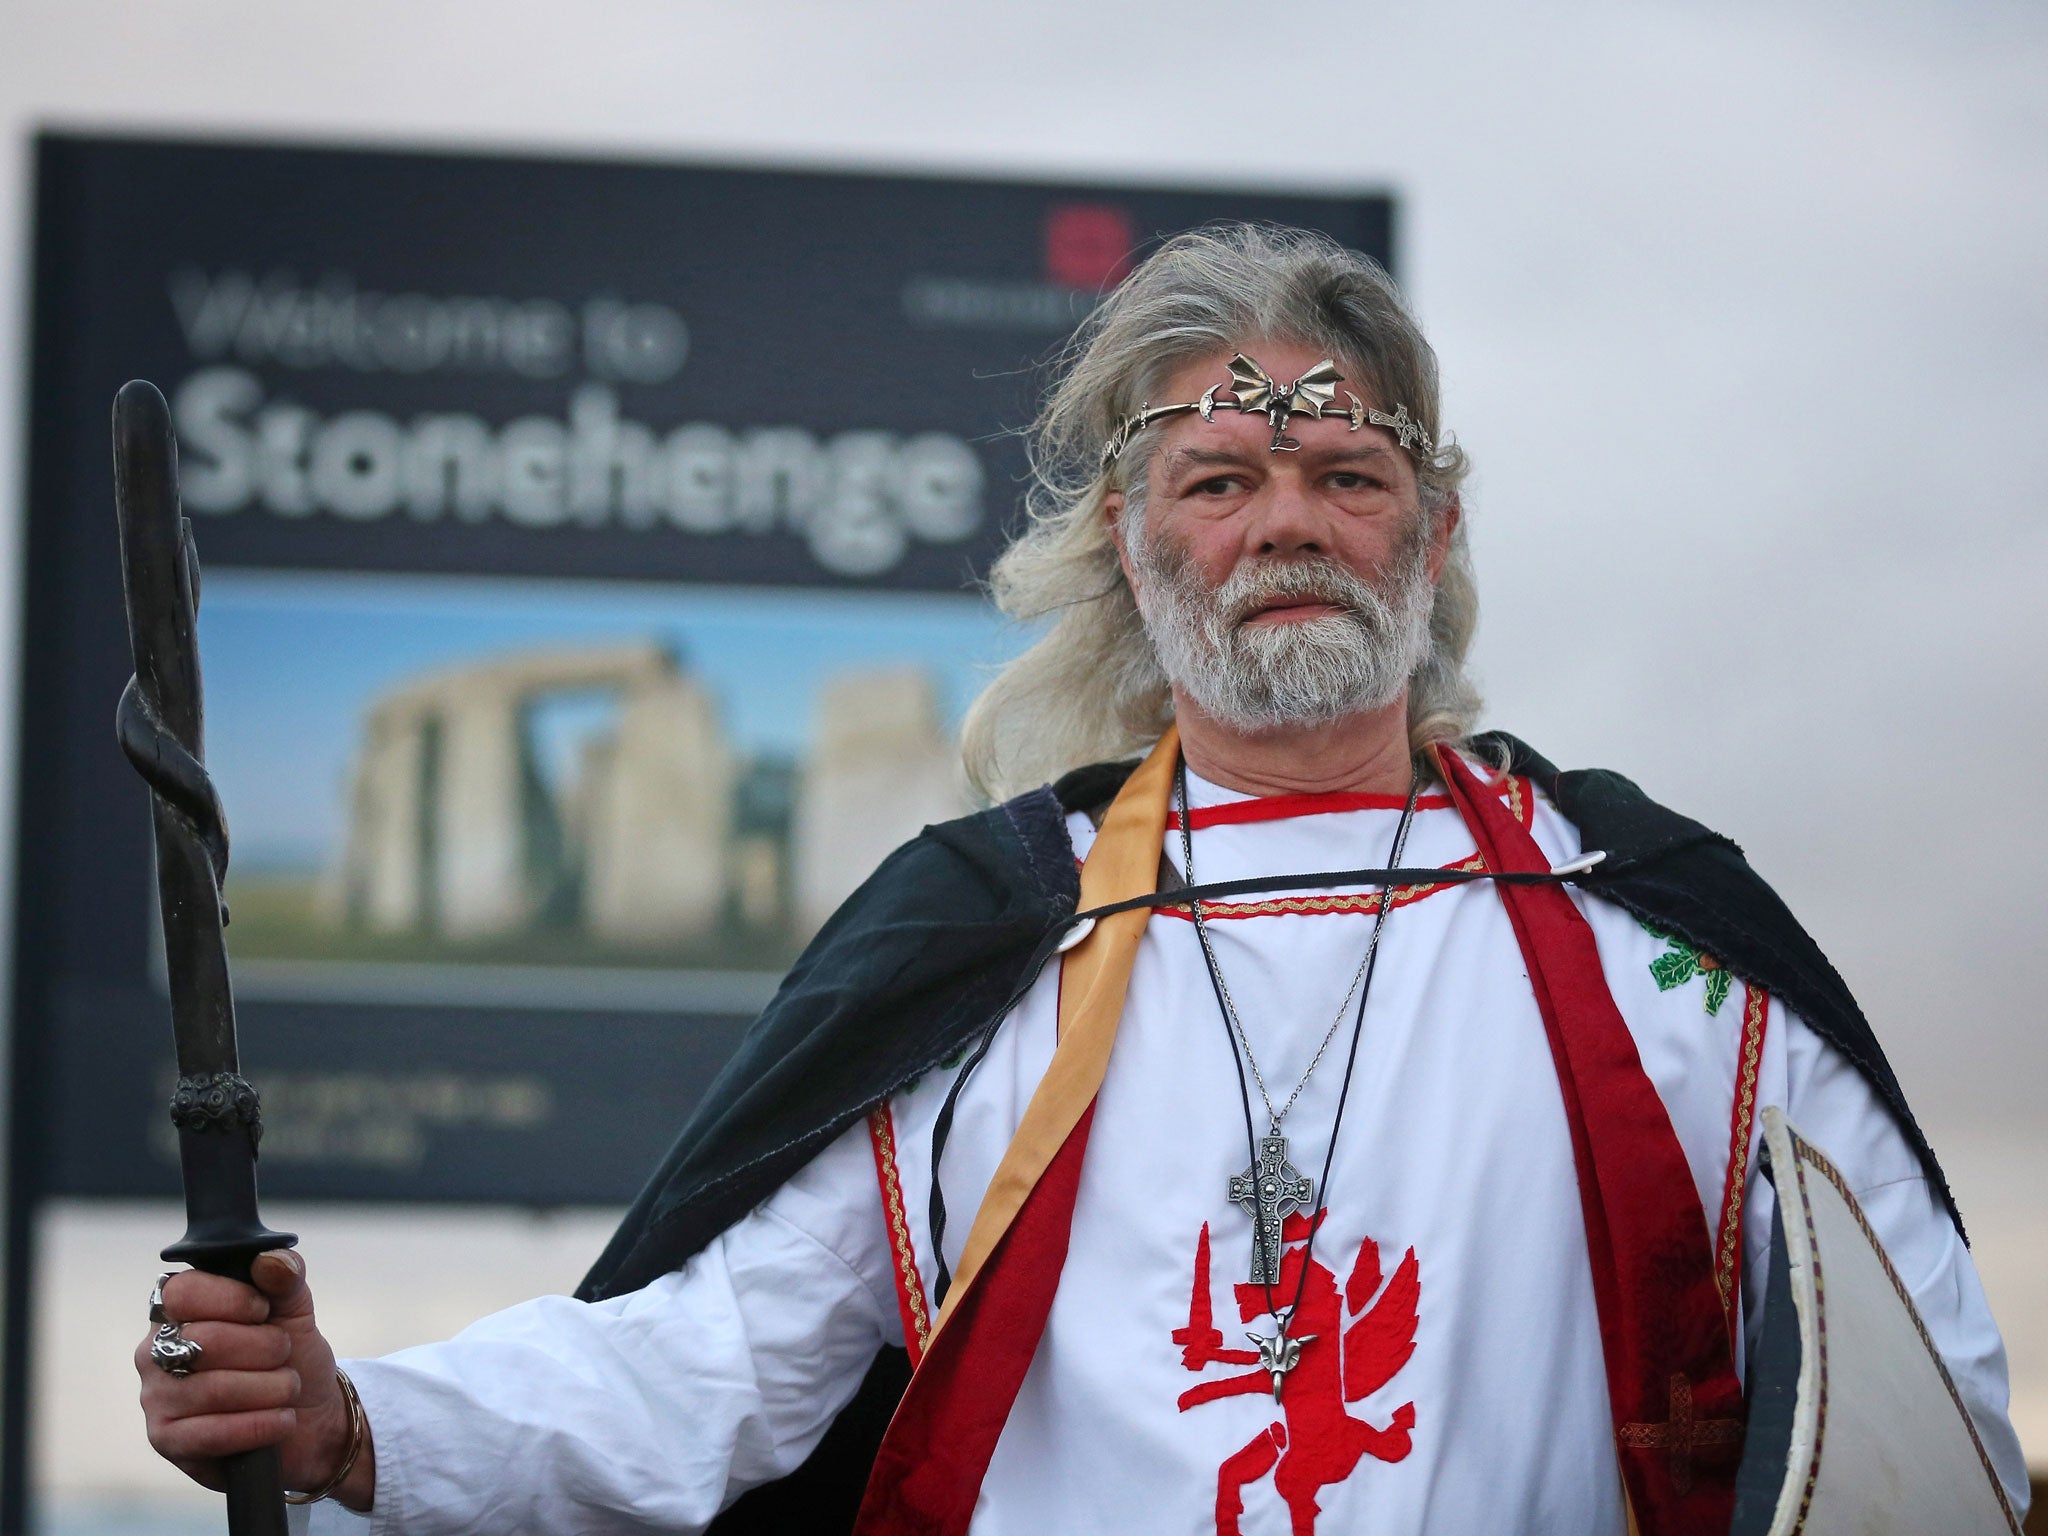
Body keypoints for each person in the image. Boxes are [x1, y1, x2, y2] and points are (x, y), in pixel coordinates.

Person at [138, 224, 2028, 1535]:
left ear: (1435, 535)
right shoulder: (996, 941)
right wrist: (353, 1415)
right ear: (1133, 550)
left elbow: (1919, 1420)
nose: (1285, 519)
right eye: (1214, 482)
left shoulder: (1650, 940)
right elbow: (698, 1372)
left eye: (1349, 478)